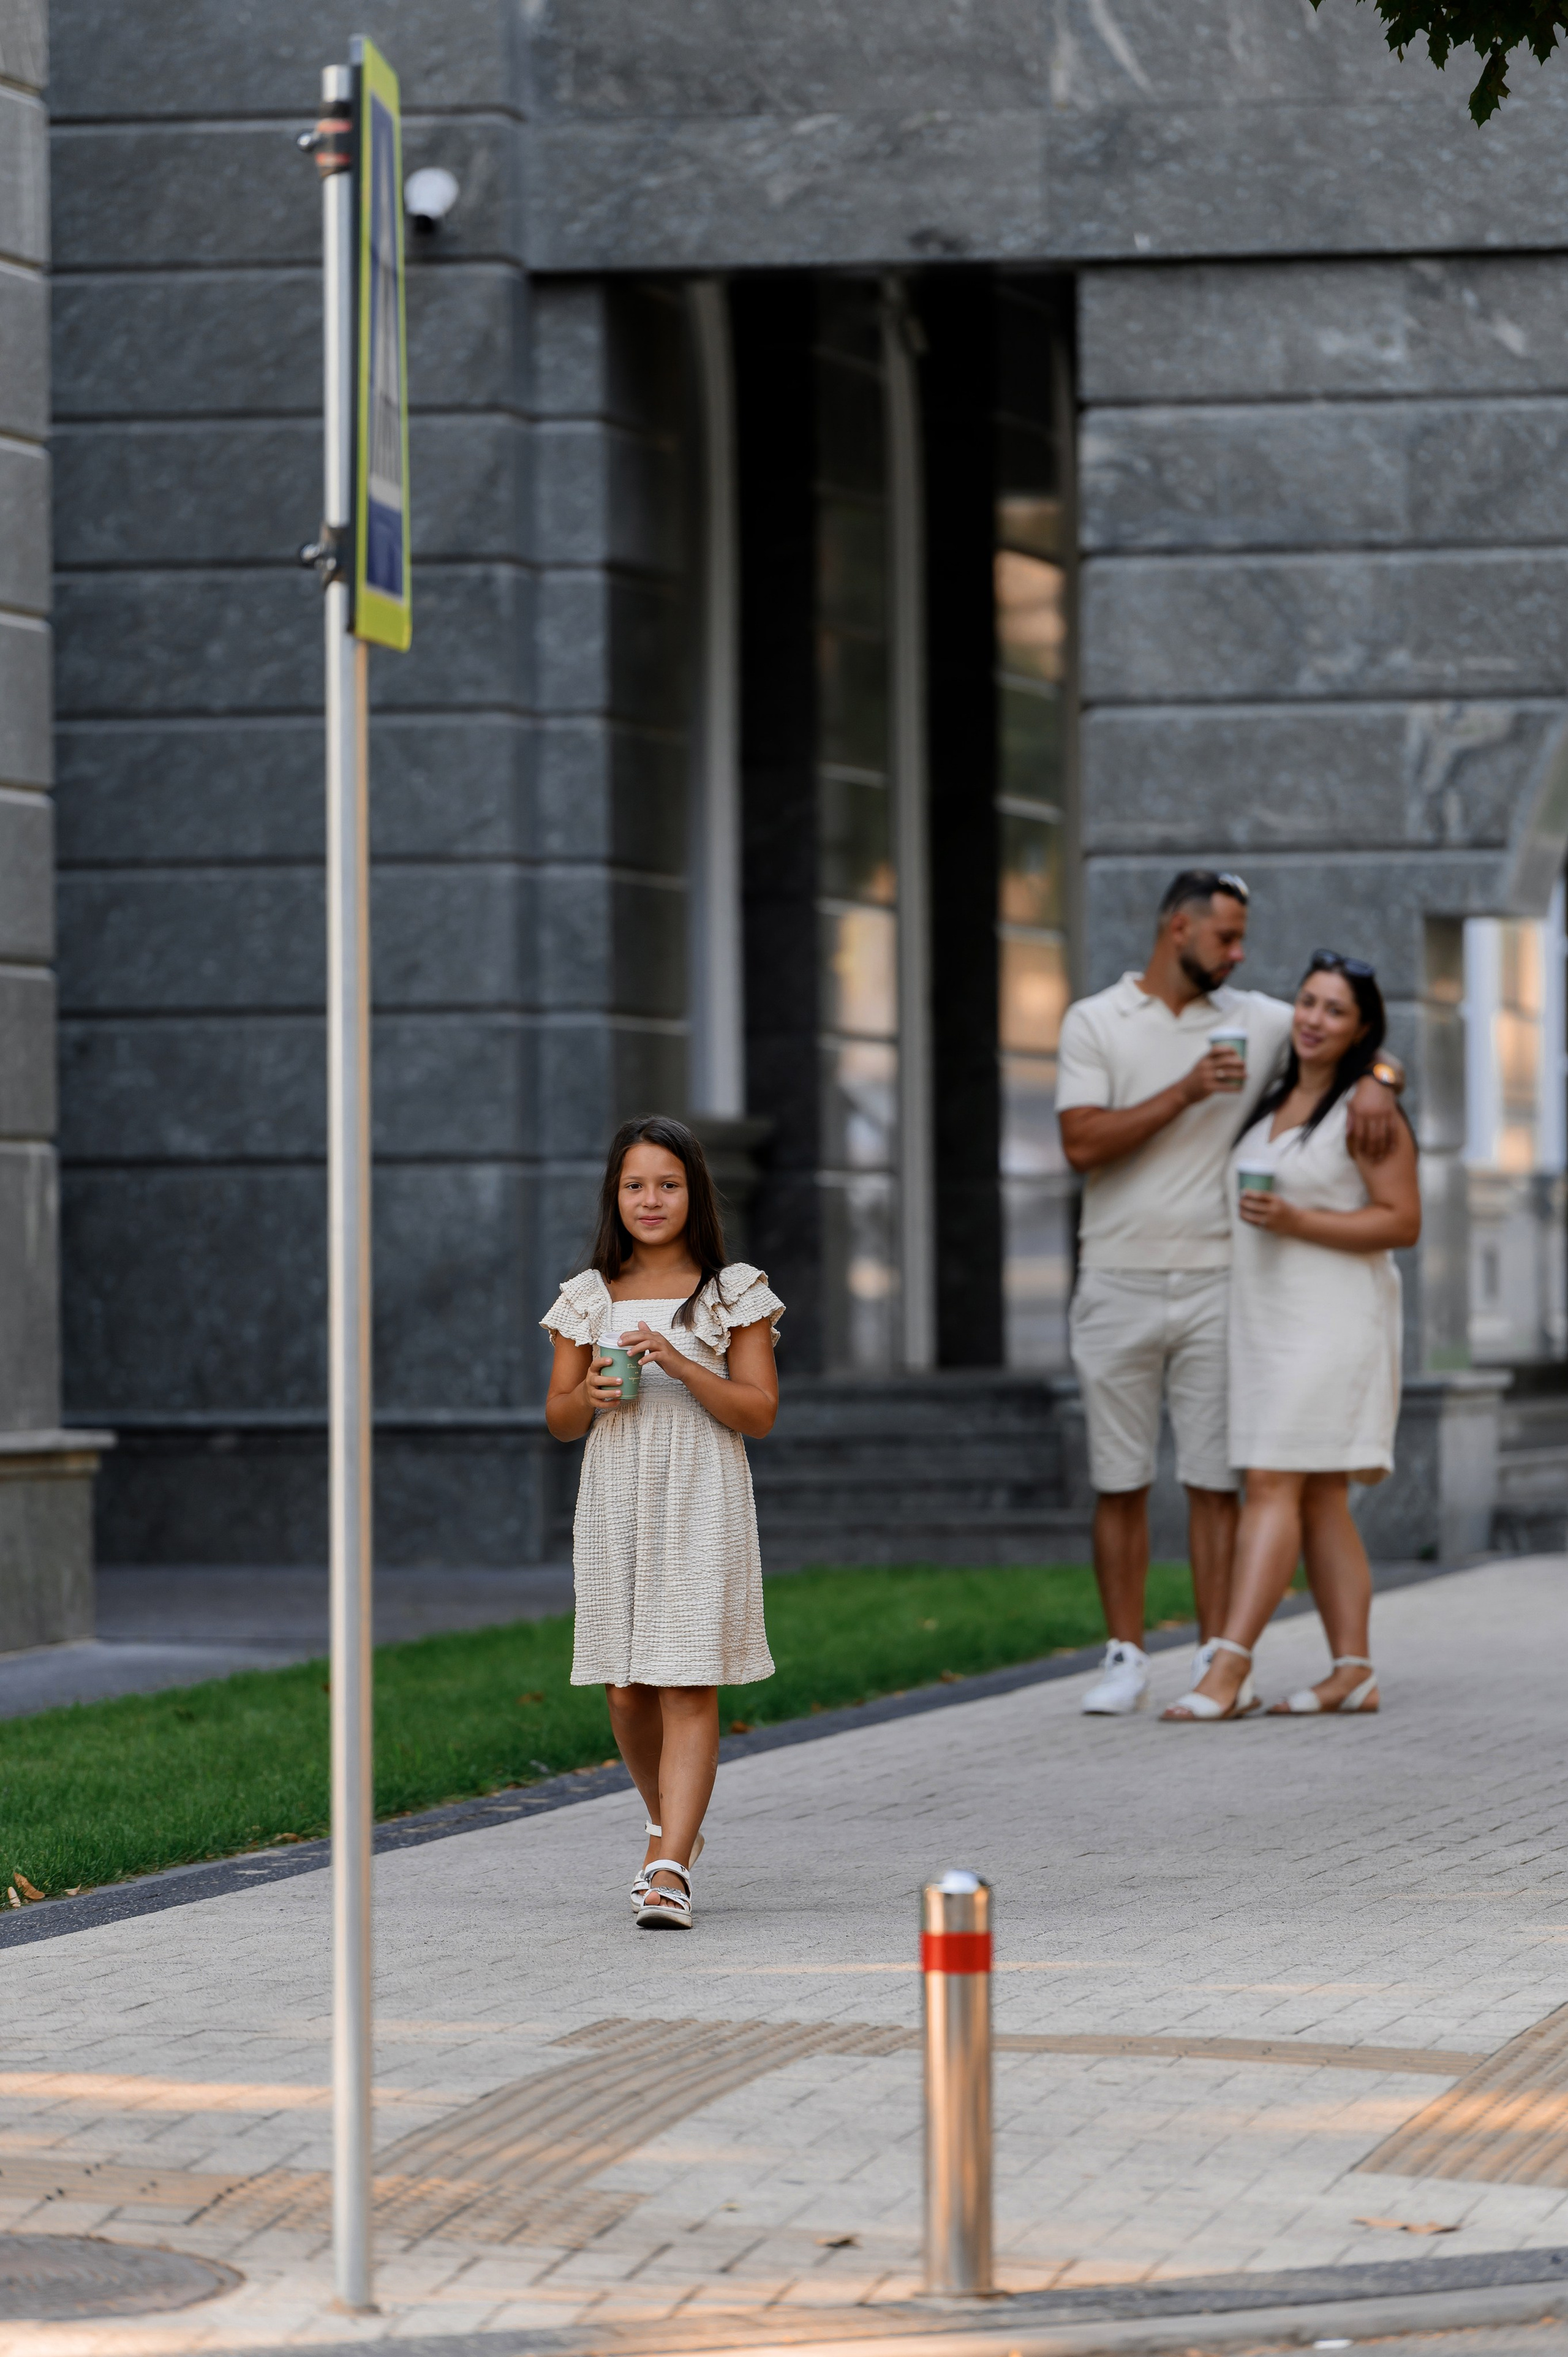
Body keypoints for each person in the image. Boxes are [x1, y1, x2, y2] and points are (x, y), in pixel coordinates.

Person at [1057, 872, 1404, 1716]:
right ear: (1179, 929)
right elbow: (1081, 1144)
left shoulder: (1261, 1019)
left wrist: (1381, 1080)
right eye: (1226, 937)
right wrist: (1185, 1091)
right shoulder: (1095, 1020)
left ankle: (1221, 1658)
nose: (1240, 953)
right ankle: (1127, 1655)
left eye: (1243, 938)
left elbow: (1354, 1035)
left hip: (1224, 1285)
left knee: (1220, 1481)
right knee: (1120, 1478)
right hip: (1117, 1273)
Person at [1161, 952, 1420, 1721]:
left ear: (1361, 1028)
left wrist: (1298, 1217)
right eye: (1308, 1001)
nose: (1313, 1019)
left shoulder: (1366, 1112)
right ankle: (1354, 1672)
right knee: (1322, 1498)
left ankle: (1228, 1666)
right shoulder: (1273, 1090)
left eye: (1335, 1010)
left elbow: (1402, 1220)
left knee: (1272, 1481)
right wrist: (1382, 1071)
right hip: (1265, 1320)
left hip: (1333, 1320)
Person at [543, 1116, 783, 1926]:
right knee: (624, 1689)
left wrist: (680, 1361)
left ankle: (670, 1867)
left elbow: (758, 1412)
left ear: (695, 1193)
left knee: (684, 1678)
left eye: (669, 1184)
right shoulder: (588, 1296)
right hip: (618, 1495)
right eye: (636, 1185)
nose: (652, 1200)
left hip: (701, 1492)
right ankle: (668, 1824)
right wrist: (586, 1396)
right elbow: (559, 1419)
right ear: (615, 1195)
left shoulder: (731, 1292)